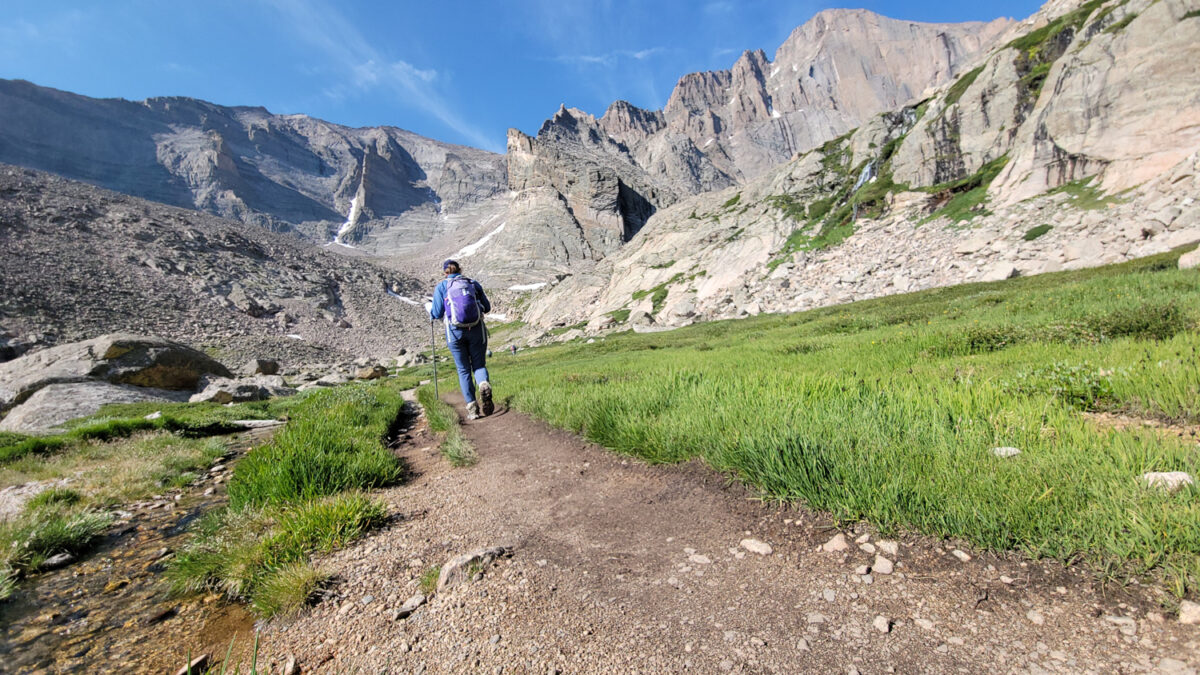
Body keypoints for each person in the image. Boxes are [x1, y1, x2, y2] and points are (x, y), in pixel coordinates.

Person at [426, 260, 494, 419]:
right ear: (460, 270)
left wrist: (430, 310)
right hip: (476, 330)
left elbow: (436, 313)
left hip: (454, 333)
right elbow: (487, 307)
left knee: (463, 370)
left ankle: (472, 408)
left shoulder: (442, 287)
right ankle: (483, 383)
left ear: (445, 273)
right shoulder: (472, 283)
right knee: (479, 365)